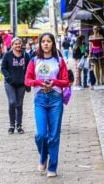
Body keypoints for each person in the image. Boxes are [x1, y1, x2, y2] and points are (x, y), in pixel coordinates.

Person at [24, 32, 69, 178]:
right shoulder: (34, 60)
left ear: (53, 44)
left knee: (54, 135)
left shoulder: (59, 61)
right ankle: (43, 156)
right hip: (40, 99)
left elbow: (66, 81)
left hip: (56, 99)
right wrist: (39, 83)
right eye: (43, 41)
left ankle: (52, 167)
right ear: (40, 44)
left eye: (49, 41)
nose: (46, 44)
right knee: (41, 134)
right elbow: (28, 80)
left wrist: (54, 82)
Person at [1, 37, 30, 135]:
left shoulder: (26, 55)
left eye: (19, 43)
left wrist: (28, 81)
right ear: (12, 45)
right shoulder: (7, 55)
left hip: (21, 84)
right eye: (15, 44)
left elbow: (29, 68)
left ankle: (19, 125)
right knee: (12, 102)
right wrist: (8, 77)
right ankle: (11, 125)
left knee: (19, 104)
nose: (18, 45)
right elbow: (3, 68)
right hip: (10, 83)